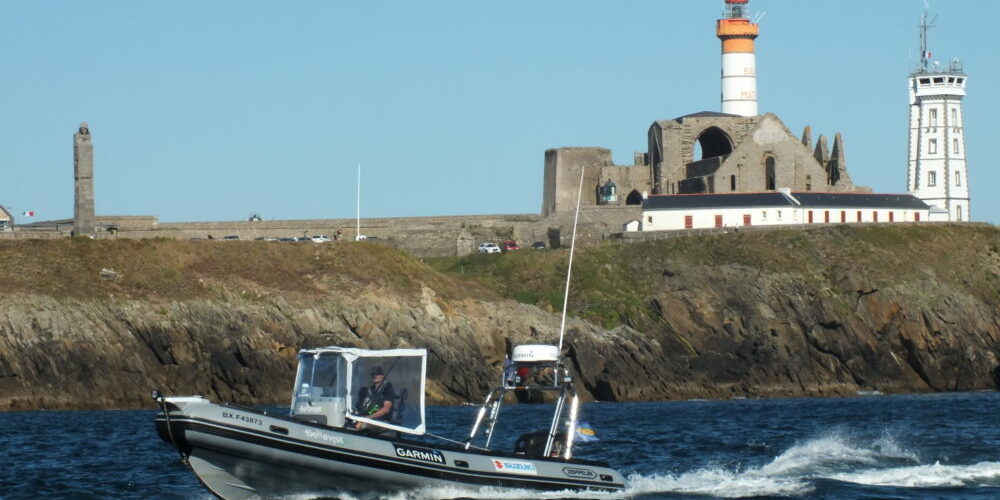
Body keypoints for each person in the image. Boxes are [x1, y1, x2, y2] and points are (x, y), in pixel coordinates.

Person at [354, 365, 395, 430]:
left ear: (383, 376)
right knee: (351, 421)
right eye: (373, 374)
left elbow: (386, 409)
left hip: (382, 421)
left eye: (378, 374)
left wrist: (368, 417)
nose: (375, 376)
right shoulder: (371, 389)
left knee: (363, 426)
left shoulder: (387, 389)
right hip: (370, 418)